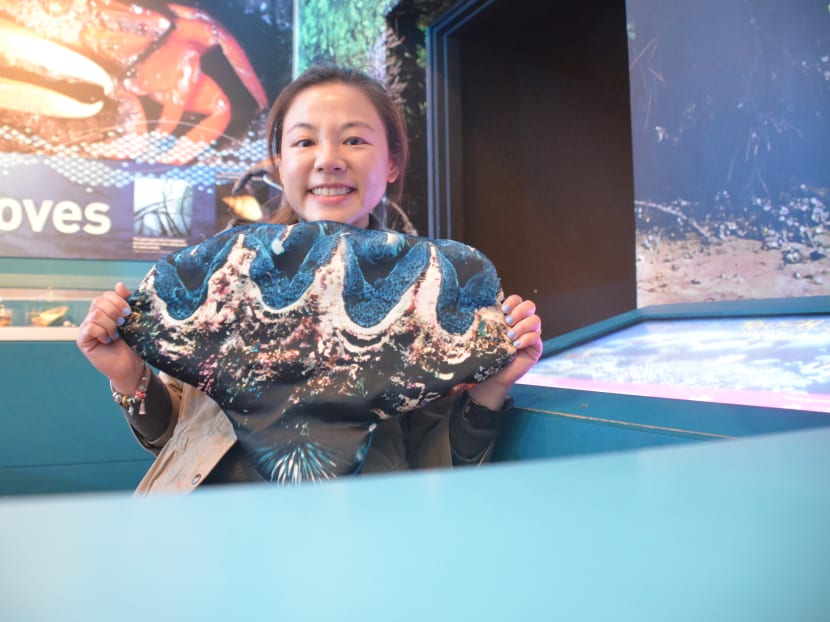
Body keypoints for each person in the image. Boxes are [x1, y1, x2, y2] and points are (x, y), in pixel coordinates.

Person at [76, 66, 543, 493]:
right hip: (201, 543)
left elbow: (435, 462)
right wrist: (127, 374)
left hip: (356, 551)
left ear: (393, 161)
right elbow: (176, 438)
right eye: (304, 142)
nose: (329, 159)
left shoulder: (431, 292)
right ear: (279, 163)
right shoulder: (223, 278)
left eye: (355, 140)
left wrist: (492, 384)